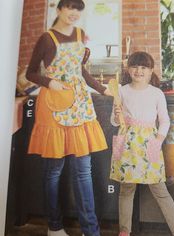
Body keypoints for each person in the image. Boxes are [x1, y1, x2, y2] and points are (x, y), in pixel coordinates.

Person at [26, 0, 109, 235]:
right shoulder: (46, 38)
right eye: (69, 7)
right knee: (54, 171)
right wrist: (49, 81)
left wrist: (103, 89)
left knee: (83, 169)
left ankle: (90, 230)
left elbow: (80, 71)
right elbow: (32, 72)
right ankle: (54, 227)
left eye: (78, 9)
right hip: (53, 105)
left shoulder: (82, 34)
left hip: (80, 104)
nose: (74, 13)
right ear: (59, 10)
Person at [110, 51, 174, 236]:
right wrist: (116, 113)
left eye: (144, 67)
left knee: (160, 189)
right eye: (135, 66)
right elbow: (114, 121)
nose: (139, 70)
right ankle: (124, 231)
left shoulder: (157, 93)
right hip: (127, 144)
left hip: (149, 143)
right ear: (128, 69)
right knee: (126, 189)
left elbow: (165, 120)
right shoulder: (121, 91)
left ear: (151, 70)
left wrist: (158, 140)